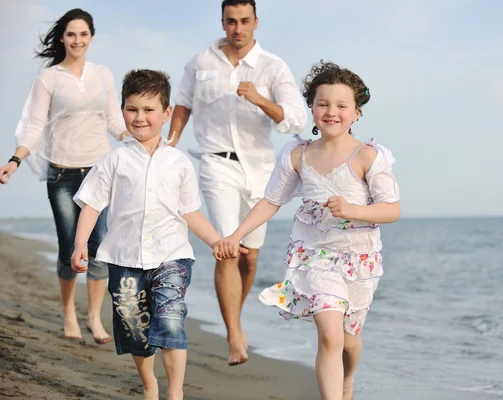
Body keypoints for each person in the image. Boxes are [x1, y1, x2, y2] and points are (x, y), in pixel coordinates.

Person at [213, 61, 401, 400]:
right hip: (315, 255)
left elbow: (392, 209)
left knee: (349, 338)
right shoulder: (298, 155)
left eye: (342, 106)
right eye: (323, 104)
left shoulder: (368, 156)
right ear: (311, 108)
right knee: (329, 334)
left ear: (357, 112)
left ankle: (347, 379)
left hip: (358, 260)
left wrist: (351, 210)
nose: (332, 112)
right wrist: (235, 235)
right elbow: (271, 201)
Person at [70, 69, 240, 400]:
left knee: (171, 319)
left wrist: (217, 241)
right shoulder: (113, 160)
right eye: (132, 109)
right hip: (123, 257)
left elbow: (190, 212)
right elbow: (91, 204)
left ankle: (174, 392)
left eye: (149, 110)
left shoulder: (178, 163)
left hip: (171, 255)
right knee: (136, 330)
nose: (140, 117)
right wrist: (80, 244)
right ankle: (150, 384)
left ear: (166, 113)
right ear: (123, 112)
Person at [169, 0, 307, 365]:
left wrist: (260, 98)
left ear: (256, 22)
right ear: (223, 22)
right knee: (228, 248)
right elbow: (182, 103)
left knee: (250, 258)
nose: (237, 29)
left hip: (260, 169)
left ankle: (236, 316)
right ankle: (233, 335)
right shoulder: (201, 62)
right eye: (231, 22)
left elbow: (294, 119)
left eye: (244, 21)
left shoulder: (272, 66)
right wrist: (171, 142)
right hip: (216, 164)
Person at [0, 8, 127, 344]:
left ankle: (93, 318)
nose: (77, 40)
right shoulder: (49, 78)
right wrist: (15, 159)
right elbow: (33, 125)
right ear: (62, 38)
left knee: (99, 247)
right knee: (70, 245)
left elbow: (115, 121)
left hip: (99, 172)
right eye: (71, 34)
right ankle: (69, 312)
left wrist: (136, 136)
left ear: (92, 37)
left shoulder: (103, 74)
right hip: (63, 174)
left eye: (83, 34)